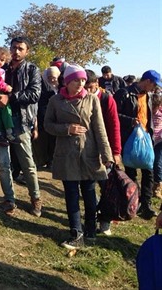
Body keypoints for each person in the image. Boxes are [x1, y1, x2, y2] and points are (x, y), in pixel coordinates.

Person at [44, 64, 114, 249]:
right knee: (71, 194)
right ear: (67, 81)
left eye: (83, 80)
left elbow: (100, 128)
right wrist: (67, 129)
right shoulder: (56, 101)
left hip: (89, 153)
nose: (81, 83)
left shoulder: (92, 99)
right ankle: (76, 232)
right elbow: (47, 125)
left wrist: (107, 155)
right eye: (76, 80)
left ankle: (91, 229)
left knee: (90, 194)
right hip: (66, 154)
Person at [0, 37, 43, 217]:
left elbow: (34, 94)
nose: (16, 52)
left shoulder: (32, 69)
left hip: (21, 122)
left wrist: (9, 97)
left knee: (27, 163)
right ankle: (9, 200)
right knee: (3, 164)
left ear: (27, 51)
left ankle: (36, 199)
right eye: (13, 48)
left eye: (20, 48)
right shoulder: (1, 68)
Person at [114, 70, 162, 220]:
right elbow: (113, 114)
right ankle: (133, 202)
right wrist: (130, 120)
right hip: (130, 139)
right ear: (147, 81)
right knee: (131, 173)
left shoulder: (147, 96)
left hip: (146, 139)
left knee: (149, 171)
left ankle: (146, 205)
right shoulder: (124, 93)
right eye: (154, 85)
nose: (155, 89)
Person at [84, 69, 122, 235]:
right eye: (85, 87)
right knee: (89, 188)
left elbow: (114, 126)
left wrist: (115, 151)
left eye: (90, 87)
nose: (87, 90)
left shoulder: (107, 99)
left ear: (97, 84)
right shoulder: (81, 98)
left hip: (104, 151)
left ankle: (105, 221)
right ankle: (91, 219)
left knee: (106, 188)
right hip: (87, 150)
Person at [33, 66, 60, 168]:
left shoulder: (62, 87)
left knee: (53, 142)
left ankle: (51, 160)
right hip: (43, 117)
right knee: (43, 141)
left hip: (56, 120)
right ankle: (42, 160)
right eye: (49, 77)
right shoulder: (42, 87)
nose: (52, 79)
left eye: (53, 77)